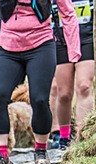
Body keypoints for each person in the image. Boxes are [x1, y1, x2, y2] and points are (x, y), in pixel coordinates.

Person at [0, 0, 80, 164]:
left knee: (39, 99)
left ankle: (40, 150)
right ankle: (1, 156)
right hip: (8, 48)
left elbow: (67, 12)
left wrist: (73, 50)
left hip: (41, 46)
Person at [52, 0, 94, 150]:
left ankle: (82, 137)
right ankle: (64, 136)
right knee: (64, 94)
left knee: (84, 86)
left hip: (86, 36)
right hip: (60, 37)